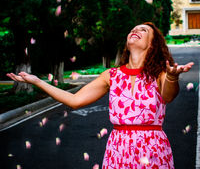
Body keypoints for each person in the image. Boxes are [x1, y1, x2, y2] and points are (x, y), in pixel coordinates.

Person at [7, 22, 194, 169]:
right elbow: (74, 100)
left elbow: (168, 97)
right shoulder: (111, 76)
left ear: (153, 44)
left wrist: (171, 77)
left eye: (143, 30)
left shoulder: (161, 72)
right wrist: (38, 82)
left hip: (152, 149)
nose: (135, 30)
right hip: (118, 149)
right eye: (133, 29)